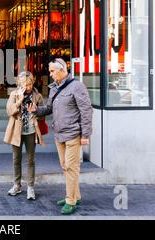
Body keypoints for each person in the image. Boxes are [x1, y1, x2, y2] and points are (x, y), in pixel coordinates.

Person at [28, 58, 93, 215]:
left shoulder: (77, 87)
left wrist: (85, 134)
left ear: (62, 70)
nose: (50, 74)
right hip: (59, 135)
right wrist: (36, 110)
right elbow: (49, 108)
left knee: (71, 167)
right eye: (49, 71)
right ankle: (75, 196)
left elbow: (86, 111)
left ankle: (70, 201)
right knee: (66, 167)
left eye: (52, 71)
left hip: (73, 134)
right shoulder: (54, 89)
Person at [4, 71, 45, 201]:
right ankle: (17, 185)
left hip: (31, 132)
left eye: (29, 84)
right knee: (16, 159)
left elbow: (44, 113)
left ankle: (30, 187)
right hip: (17, 131)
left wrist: (36, 111)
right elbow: (9, 111)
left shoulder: (37, 96)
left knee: (30, 160)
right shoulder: (14, 94)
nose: (27, 87)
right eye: (24, 84)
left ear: (33, 82)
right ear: (19, 84)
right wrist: (19, 101)